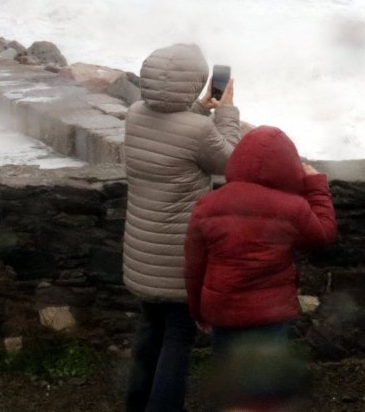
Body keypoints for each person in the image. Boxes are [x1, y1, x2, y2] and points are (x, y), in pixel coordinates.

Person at [122, 43, 241, 412]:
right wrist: (227, 111)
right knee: (178, 335)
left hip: (142, 252)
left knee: (151, 327)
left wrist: (201, 106)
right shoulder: (197, 133)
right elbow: (233, 162)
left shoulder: (135, 114)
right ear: (192, 81)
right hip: (177, 256)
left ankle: (137, 403)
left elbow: (172, 125)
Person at [184, 125, 337, 409]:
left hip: (222, 312)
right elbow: (323, 235)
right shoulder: (292, 208)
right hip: (269, 316)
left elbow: (194, 267)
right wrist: (317, 184)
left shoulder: (207, 205)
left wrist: (197, 310)